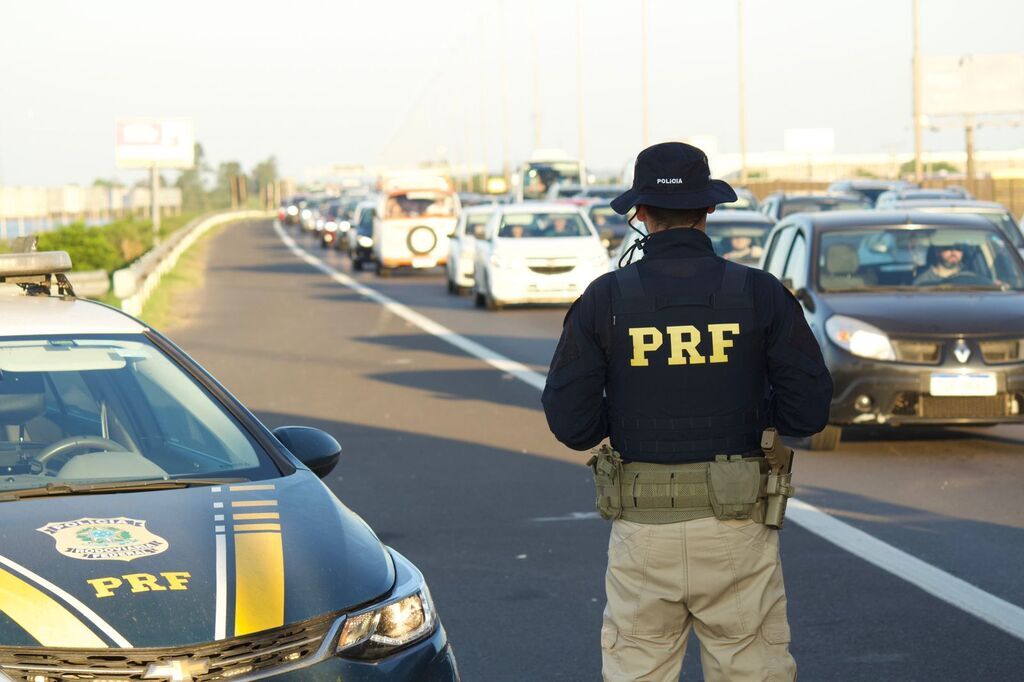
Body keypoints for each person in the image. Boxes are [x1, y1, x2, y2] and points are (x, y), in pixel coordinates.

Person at [542, 142, 833, 682]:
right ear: (709, 211)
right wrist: (752, 408)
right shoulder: (760, 293)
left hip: (642, 530)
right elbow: (809, 410)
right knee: (752, 668)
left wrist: (629, 408)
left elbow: (571, 423)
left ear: (640, 215)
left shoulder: (605, 299)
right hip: (738, 525)